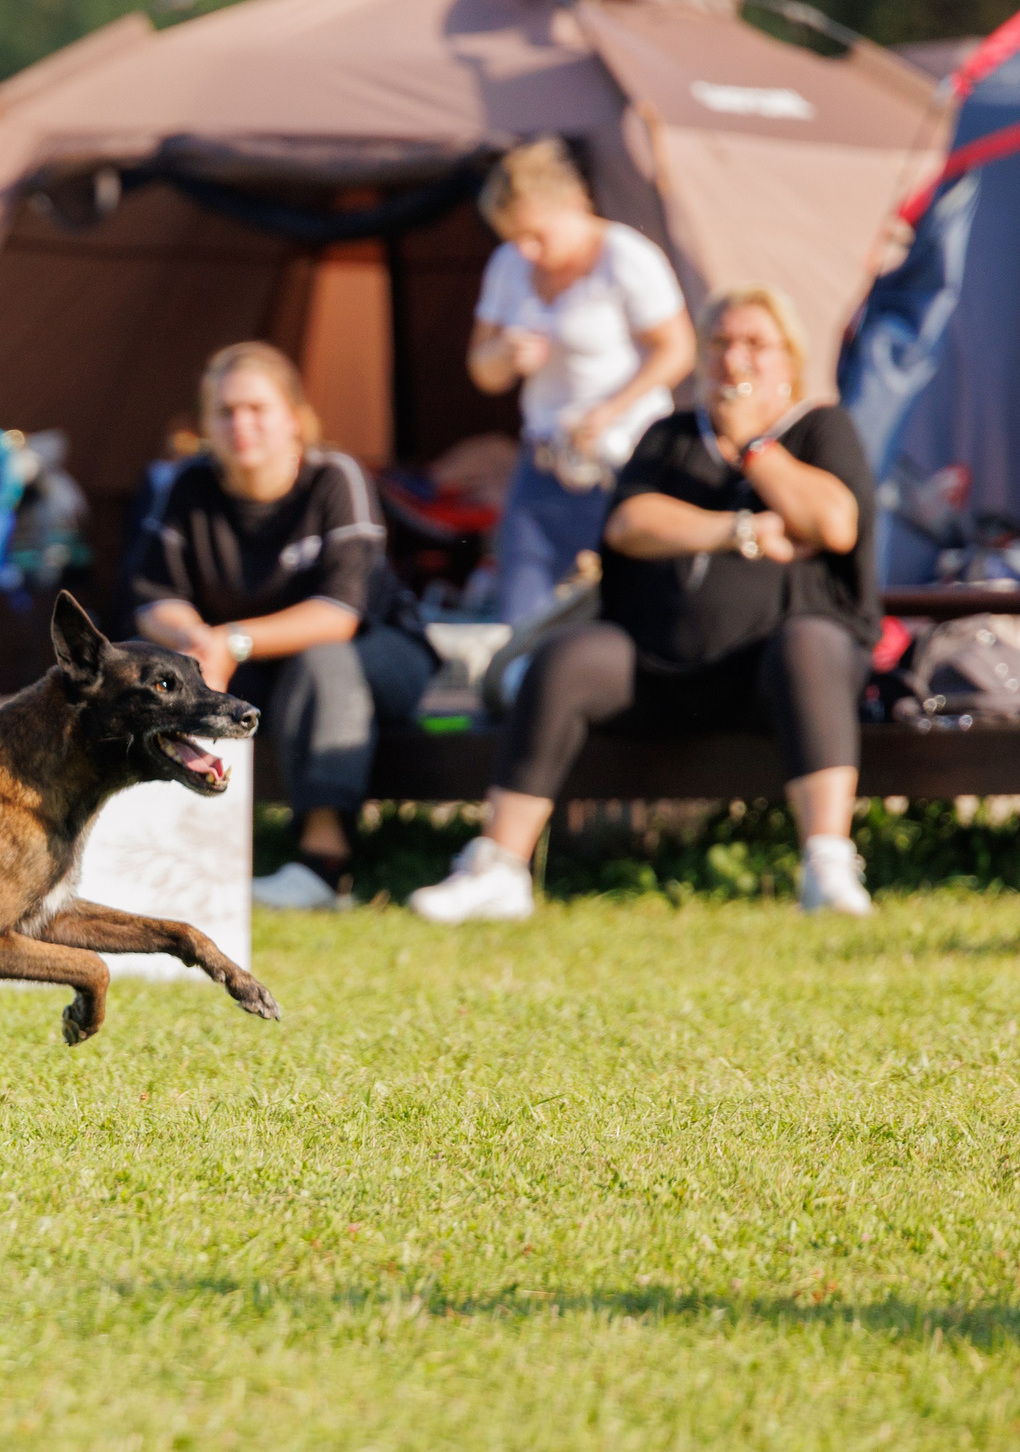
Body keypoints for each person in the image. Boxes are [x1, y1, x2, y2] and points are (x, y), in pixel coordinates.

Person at [408, 285, 880, 923]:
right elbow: (631, 522)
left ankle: (827, 862)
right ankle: (499, 865)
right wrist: (738, 531)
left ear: (789, 361)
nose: (734, 360)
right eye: (720, 344)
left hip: (776, 673)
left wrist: (754, 447)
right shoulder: (671, 435)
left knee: (809, 643)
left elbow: (833, 522)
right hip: (659, 664)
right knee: (567, 659)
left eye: (754, 345)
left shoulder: (820, 428)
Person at [133, 342, 438, 911]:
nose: (240, 424)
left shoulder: (336, 477)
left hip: (381, 658)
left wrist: (231, 640)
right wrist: (196, 638)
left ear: (295, 419)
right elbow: (153, 599)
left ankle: (323, 863)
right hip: (251, 667)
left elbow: (339, 614)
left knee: (320, 661)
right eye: (225, 412)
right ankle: (164, 860)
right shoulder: (187, 485)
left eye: (256, 409)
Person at [469, 138, 696, 624]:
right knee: (522, 606)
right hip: (546, 456)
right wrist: (504, 353)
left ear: (572, 206)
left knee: (626, 602)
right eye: (515, 238)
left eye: (538, 236)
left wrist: (612, 408)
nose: (528, 250)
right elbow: (482, 372)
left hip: (623, 457)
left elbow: (678, 349)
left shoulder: (626, 257)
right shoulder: (510, 266)